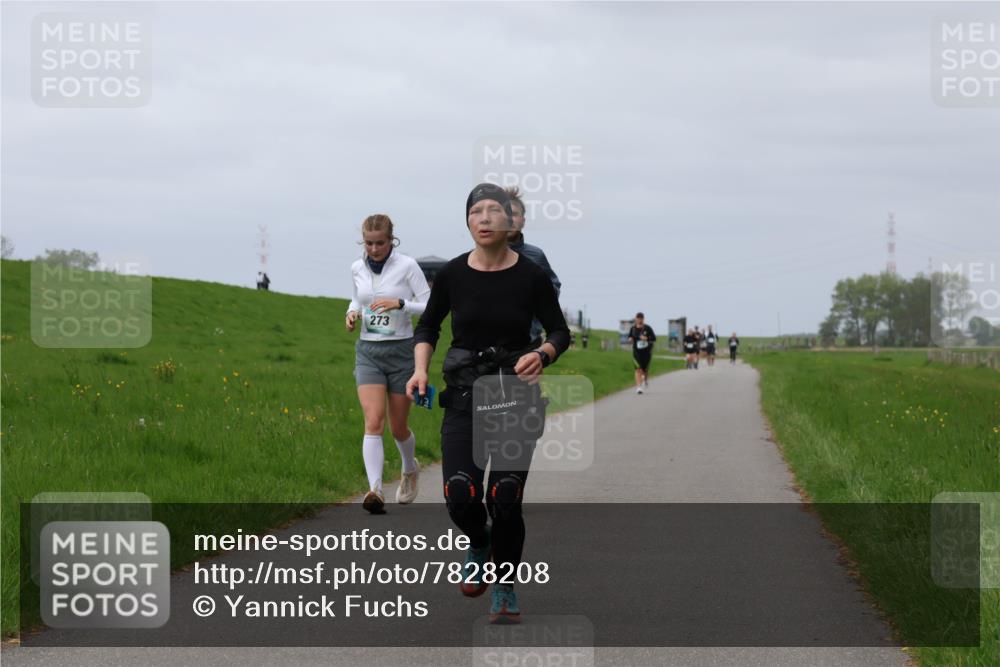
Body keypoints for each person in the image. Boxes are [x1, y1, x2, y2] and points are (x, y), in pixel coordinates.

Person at [408, 183, 570, 624]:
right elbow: (427, 327)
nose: (483, 218)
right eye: (474, 211)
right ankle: (479, 543)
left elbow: (560, 331)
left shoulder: (532, 276)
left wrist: (542, 354)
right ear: (467, 221)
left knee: (505, 495)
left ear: (509, 221)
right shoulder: (454, 275)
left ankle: (504, 583)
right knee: (460, 494)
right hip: (464, 396)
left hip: (516, 396)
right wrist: (420, 370)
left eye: (492, 211)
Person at [346, 214, 431, 514]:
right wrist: (352, 313)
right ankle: (375, 489)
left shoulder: (407, 266)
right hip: (369, 351)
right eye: (368, 243)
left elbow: (430, 303)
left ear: (391, 240)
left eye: (380, 243)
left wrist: (401, 304)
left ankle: (409, 469)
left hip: (401, 353)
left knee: (398, 428)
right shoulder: (357, 267)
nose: (374, 248)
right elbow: (358, 298)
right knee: (373, 422)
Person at [505, 186, 562, 348]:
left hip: (528, 341)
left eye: (515, 214)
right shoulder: (483, 255)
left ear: (523, 220)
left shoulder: (535, 255)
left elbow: (553, 286)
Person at [627, 312, 656, 393]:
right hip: (637, 352)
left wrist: (646, 338)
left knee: (644, 370)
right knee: (638, 369)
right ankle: (639, 387)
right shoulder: (633, 329)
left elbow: (654, 338)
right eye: (638, 318)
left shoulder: (648, 328)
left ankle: (644, 379)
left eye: (641, 318)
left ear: (643, 319)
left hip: (647, 352)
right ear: (636, 319)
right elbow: (630, 337)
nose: (640, 320)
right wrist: (630, 339)